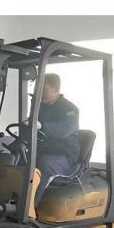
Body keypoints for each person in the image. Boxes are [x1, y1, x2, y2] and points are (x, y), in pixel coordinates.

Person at [34, 73, 81, 204]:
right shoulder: (40, 106)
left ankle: (31, 206)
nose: (39, 93)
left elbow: (63, 130)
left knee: (45, 164)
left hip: (64, 155)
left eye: (43, 89)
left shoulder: (70, 109)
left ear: (55, 89)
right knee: (18, 159)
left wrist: (42, 126)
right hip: (44, 151)